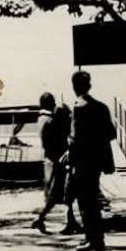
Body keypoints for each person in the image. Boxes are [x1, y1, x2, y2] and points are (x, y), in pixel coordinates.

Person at [68, 69, 116, 251]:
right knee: (93, 198)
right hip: (97, 158)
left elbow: (74, 138)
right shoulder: (101, 107)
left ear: (74, 87)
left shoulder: (77, 108)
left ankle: (92, 238)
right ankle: (96, 238)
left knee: (85, 200)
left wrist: (70, 160)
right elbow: (111, 133)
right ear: (89, 85)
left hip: (82, 159)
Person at [32, 94, 80, 234]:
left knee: (60, 193)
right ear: (49, 103)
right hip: (57, 161)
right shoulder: (50, 120)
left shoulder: (41, 119)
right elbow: (59, 139)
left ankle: (69, 221)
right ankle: (41, 219)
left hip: (50, 160)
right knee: (61, 193)